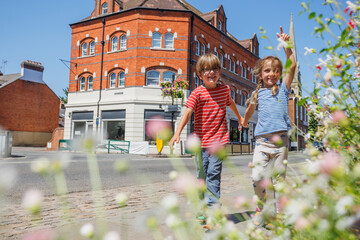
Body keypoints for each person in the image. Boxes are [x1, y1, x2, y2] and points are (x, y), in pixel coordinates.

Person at [169, 53, 243, 210]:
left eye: (215, 69)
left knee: (213, 174)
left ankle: (212, 208)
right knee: (201, 176)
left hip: (219, 141)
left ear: (219, 72)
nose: (211, 72)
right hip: (201, 143)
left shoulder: (224, 90)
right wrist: (177, 133)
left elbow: (231, 104)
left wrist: (239, 117)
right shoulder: (197, 93)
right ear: (200, 74)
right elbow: (188, 112)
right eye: (207, 69)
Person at [242, 26, 296, 228]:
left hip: (280, 143)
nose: (271, 73)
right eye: (267, 70)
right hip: (262, 144)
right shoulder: (257, 93)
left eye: (275, 70)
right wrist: (244, 122)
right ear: (260, 73)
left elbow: (292, 66)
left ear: (279, 73)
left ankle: (280, 215)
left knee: (279, 182)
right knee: (257, 177)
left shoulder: (283, 88)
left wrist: (287, 46)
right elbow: (248, 111)